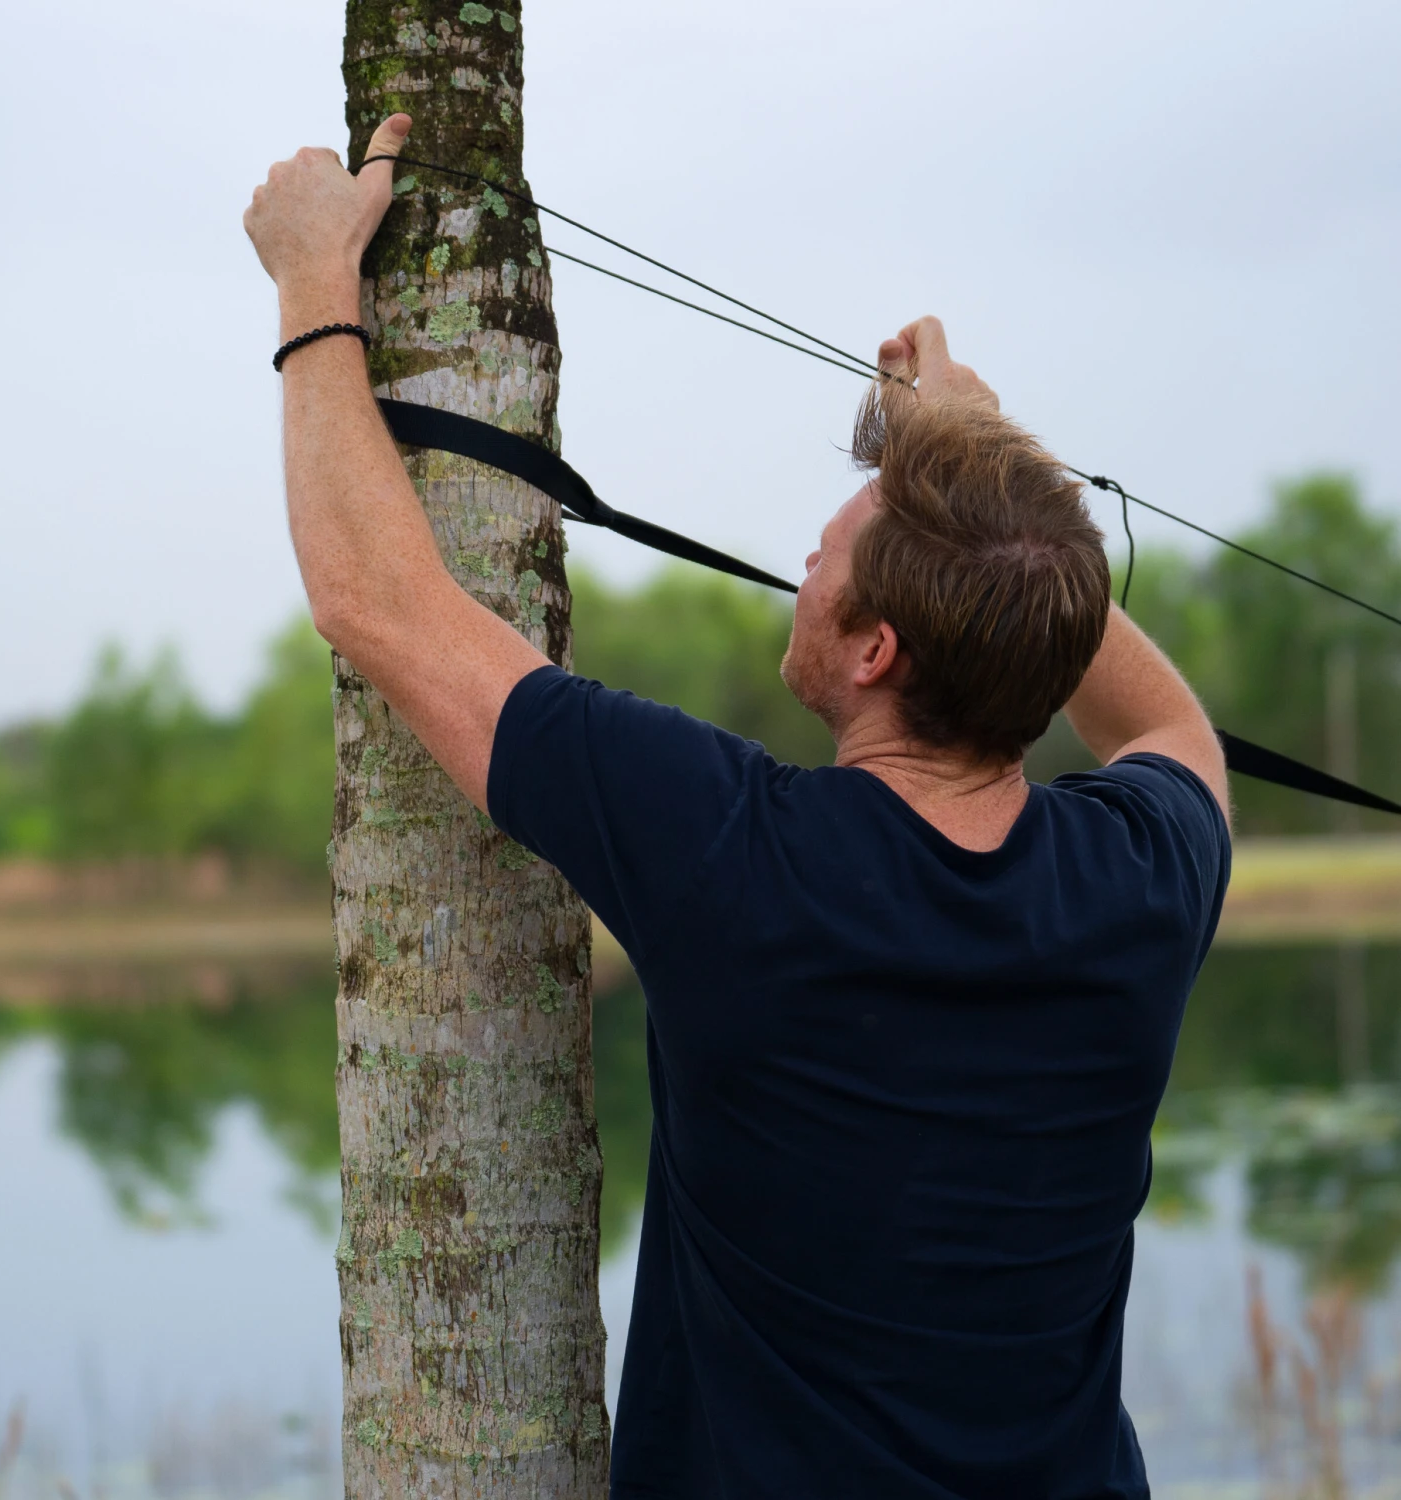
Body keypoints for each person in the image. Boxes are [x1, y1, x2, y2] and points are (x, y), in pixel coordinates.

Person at [246, 114, 1231, 1500]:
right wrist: (991, 461)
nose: (810, 554)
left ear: (875, 651)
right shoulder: (1141, 878)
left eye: (835, 547)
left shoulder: (735, 857)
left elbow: (376, 602)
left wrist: (309, 283)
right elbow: (1173, 727)